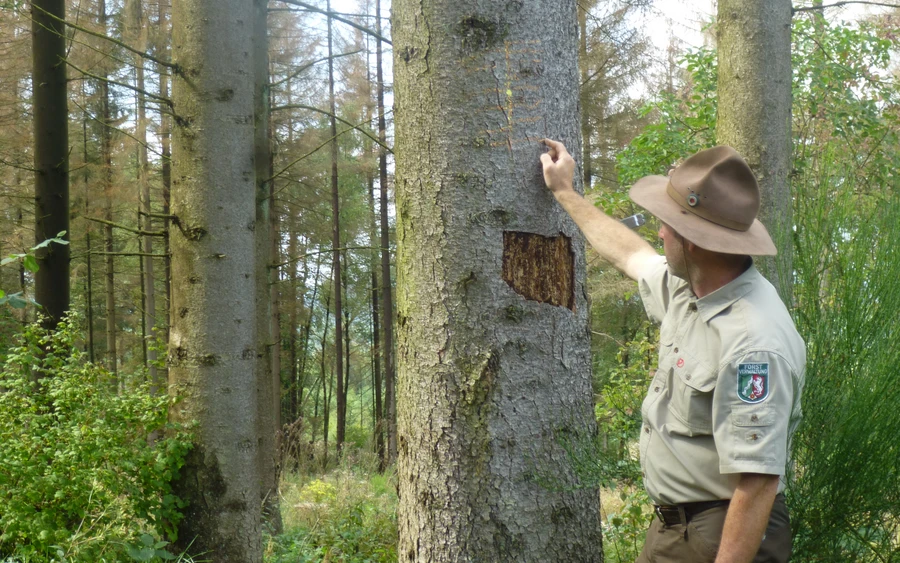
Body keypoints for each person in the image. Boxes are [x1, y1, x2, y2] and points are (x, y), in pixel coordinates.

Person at [539, 139, 805, 563]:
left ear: (693, 241)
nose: (659, 232)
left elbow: (757, 486)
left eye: (666, 224)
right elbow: (630, 254)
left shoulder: (754, 343)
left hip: (725, 534)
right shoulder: (691, 289)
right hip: (674, 529)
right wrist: (566, 193)